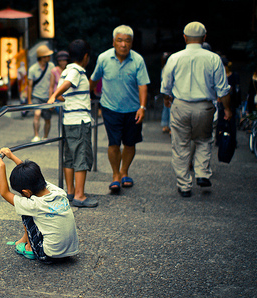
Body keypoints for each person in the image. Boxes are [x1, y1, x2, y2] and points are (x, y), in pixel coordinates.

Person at [160, 21, 232, 197]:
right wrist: (227, 109)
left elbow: (166, 85)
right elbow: (223, 89)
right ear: (204, 37)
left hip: (181, 105)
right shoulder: (214, 58)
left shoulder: (175, 58)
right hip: (205, 107)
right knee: (204, 139)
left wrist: (167, 99)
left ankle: (184, 185)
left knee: (181, 145)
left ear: (184, 37)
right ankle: (201, 173)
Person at [0, 148, 79, 263]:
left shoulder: (34, 205)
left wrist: (1, 165)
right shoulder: (57, 191)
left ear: (26, 192)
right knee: (29, 208)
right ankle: (24, 240)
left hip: (48, 255)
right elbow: (31, 175)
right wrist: (11, 156)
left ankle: (30, 248)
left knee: (25, 211)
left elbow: (5, 193)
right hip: (69, 251)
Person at [89, 25, 150, 193]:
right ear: (114, 42)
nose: (123, 44)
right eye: (120, 40)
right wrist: (88, 93)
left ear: (131, 43)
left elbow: (143, 85)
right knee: (114, 143)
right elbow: (94, 79)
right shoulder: (103, 58)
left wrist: (142, 107)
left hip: (133, 109)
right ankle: (116, 175)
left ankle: (125, 172)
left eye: (127, 41)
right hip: (110, 108)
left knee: (130, 144)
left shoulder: (137, 60)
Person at [48, 39, 98, 208]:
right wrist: (54, 95)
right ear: (86, 56)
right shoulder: (76, 71)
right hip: (79, 122)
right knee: (81, 157)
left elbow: (67, 92)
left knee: (69, 158)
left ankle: (70, 192)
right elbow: (67, 85)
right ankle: (80, 195)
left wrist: (63, 97)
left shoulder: (66, 70)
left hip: (69, 121)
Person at [28, 45, 55, 142]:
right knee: (37, 114)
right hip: (37, 96)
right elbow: (29, 86)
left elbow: (52, 83)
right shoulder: (32, 69)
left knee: (47, 118)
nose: (49, 57)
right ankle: (36, 135)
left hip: (47, 97)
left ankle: (46, 137)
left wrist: (51, 97)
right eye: (47, 56)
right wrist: (29, 100)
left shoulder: (51, 66)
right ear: (42, 57)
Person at [160, 52, 171, 134]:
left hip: (165, 89)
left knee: (166, 108)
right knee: (170, 108)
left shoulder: (164, 68)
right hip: (170, 89)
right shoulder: (169, 67)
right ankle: (170, 126)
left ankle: (165, 125)